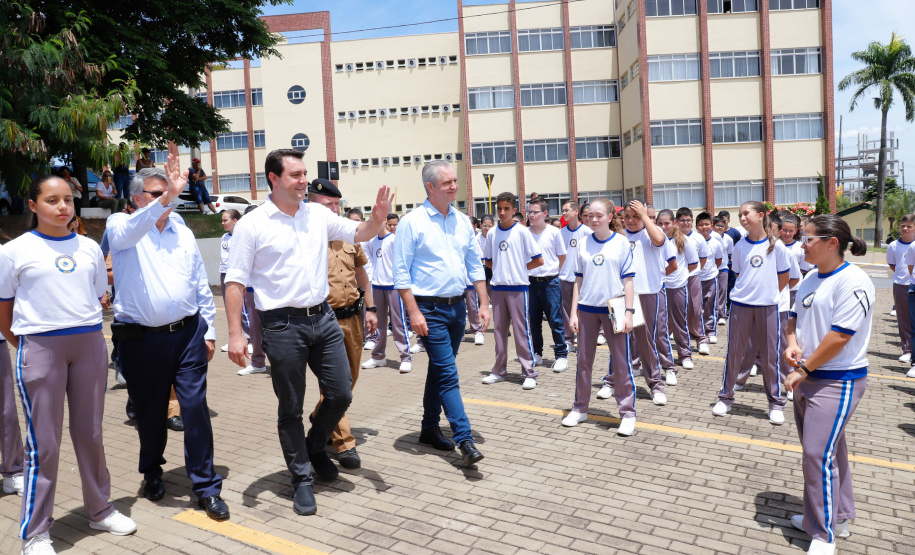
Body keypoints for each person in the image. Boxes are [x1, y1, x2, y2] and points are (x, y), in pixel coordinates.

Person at [224, 149, 391, 515]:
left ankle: (315, 446)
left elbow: (358, 232)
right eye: (295, 175)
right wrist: (236, 334)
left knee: (341, 393)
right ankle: (301, 478)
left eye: (304, 174)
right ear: (274, 178)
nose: (303, 181)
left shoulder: (316, 214)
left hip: (323, 317)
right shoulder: (253, 224)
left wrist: (377, 219)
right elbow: (234, 281)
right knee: (291, 407)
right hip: (281, 324)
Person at [0, 175, 136, 555]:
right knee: (44, 443)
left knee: (90, 433)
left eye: (68, 199)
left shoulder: (89, 248)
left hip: (89, 344)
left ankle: (100, 509)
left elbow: (97, 296)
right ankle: (36, 532)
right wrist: (28, 346)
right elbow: (4, 311)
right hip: (40, 346)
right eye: (52, 200)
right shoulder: (14, 251)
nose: (62, 207)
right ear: (33, 205)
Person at [107, 162, 227, 520]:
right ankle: (152, 472)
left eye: (170, 193)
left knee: (195, 408)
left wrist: (209, 330)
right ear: (136, 198)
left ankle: (206, 486)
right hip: (142, 340)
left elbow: (199, 282)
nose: (168, 199)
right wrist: (168, 196)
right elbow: (128, 232)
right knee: (151, 414)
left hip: (188, 334)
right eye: (158, 194)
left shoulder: (182, 230)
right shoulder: (121, 226)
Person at [783, 214, 873, 555]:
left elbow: (840, 336)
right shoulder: (810, 276)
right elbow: (794, 318)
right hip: (808, 377)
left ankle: (823, 535)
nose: (802, 245)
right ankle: (837, 517)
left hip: (837, 379)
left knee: (816, 455)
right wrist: (791, 343)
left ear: (832, 243)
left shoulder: (854, 281)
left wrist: (804, 369)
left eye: (808, 239)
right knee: (830, 451)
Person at [393, 160, 489, 467]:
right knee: (448, 375)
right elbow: (401, 274)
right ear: (430, 187)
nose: (454, 186)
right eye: (447, 182)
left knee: (439, 370)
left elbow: (474, 264)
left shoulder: (461, 221)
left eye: (455, 181)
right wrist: (414, 313)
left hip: (457, 308)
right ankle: (465, 439)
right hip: (428, 310)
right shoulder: (412, 222)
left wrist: (483, 304)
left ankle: (429, 428)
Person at [308, 178, 378, 471]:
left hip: (353, 317)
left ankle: (320, 419)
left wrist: (371, 308)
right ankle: (344, 443)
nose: (335, 209)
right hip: (325, 320)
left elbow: (361, 273)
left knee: (348, 382)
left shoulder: (349, 234)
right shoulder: (307, 235)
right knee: (334, 385)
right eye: (329, 204)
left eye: (337, 204)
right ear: (312, 204)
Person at [562, 197, 637, 436]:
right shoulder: (583, 243)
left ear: (610, 217)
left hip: (615, 308)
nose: (593, 219)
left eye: (599, 215)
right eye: (590, 215)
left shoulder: (621, 243)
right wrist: (573, 313)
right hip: (587, 308)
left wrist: (628, 312)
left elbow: (628, 280)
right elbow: (578, 280)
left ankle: (627, 414)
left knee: (621, 363)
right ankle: (580, 408)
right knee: (584, 362)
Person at [712, 201, 790, 424]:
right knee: (734, 354)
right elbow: (738, 275)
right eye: (740, 215)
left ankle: (775, 403)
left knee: (770, 357)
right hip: (741, 306)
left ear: (761, 215)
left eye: (746, 213)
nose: (742, 218)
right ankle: (726, 398)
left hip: (768, 307)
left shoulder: (777, 246)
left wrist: (768, 294)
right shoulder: (740, 246)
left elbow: (784, 277)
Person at [605, 199, 671, 404]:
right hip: (621, 295)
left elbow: (659, 240)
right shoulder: (618, 237)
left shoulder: (650, 234)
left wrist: (644, 215)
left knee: (647, 342)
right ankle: (612, 381)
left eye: (636, 216)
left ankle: (655, 385)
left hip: (646, 293)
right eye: (627, 216)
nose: (631, 220)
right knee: (618, 340)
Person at [481, 192, 543, 389]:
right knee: (499, 332)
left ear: (514, 210)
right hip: (498, 287)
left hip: (518, 288)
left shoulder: (522, 231)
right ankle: (499, 370)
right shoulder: (492, 233)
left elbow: (538, 259)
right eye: (499, 208)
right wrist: (502, 270)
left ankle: (529, 372)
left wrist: (519, 269)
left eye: (506, 209)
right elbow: (488, 261)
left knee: (521, 331)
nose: (502, 212)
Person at [363, 213, 414, 372]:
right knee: (378, 324)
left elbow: (402, 263)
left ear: (384, 221)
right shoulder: (372, 241)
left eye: (377, 220)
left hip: (393, 286)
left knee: (398, 323)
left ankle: (405, 357)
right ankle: (378, 356)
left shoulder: (393, 240)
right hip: (377, 285)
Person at [218, 209, 266, 375]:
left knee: (268, 325)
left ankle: (274, 359)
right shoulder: (229, 237)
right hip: (249, 285)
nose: (223, 223)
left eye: (226, 220)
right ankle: (258, 361)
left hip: (264, 287)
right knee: (254, 323)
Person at [526, 198, 569, 372]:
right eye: (529, 212)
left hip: (550, 282)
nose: (531, 215)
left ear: (544, 213)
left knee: (555, 320)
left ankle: (561, 355)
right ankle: (537, 353)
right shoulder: (525, 233)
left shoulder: (553, 232)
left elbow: (562, 256)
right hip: (530, 282)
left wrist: (553, 272)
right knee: (533, 321)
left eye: (535, 212)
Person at [658, 209, 699, 377]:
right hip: (658, 287)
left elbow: (693, 264)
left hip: (677, 286)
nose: (663, 227)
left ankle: (685, 355)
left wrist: (681, 276)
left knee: (679, 322)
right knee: (660, 324)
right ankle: (659, 355)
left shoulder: (684, 241)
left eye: (667, 223)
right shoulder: (655, 239)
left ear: (674, 223)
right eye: (660, 223)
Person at [559, 201, 592, 354]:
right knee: (566, 311)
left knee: (582, 311)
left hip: (582, 278)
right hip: (564, 277)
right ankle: (568, 340)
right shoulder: (561, 232)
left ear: (576, 211)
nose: (564, 213)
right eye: (563, 210)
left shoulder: (586, 231)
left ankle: (583, 339)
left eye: (567, 210)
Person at [676, 207, 710, 355]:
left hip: (692, 277)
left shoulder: (698, 238)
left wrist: (693, 272)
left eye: (688, 220)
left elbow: (703, 258)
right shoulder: (671, 237)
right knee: (673, 311)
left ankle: (700, 339)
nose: (685, 223)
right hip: (675, 279)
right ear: (676, 221)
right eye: (682, 220)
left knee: (695, 309)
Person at [887, 214, 915, 364]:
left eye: (909, 226)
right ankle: (907, 350)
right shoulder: (893, 245)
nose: (905, 229)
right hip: (900, 285)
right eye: (903, 226)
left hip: (913, 285)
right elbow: (893, 265)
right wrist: (903, 276)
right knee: (903, 318)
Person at [695, 212, 724, 344]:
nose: (704, 227)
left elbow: (718, 260)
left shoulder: (716, 242)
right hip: (695, 279)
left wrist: (711, 271)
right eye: (701, 225)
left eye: (707, 224)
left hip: (710, 278)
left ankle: (710, 331)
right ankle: (696, 331)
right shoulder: (692, 241)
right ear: (696, 226)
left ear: (711, 225)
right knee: (695, 307)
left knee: (710, 306)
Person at [713, 216, 733, 325]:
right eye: (717, 225)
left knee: (722, 292)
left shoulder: (728, 239)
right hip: (710, 270)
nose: (720, 228)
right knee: (711, 293)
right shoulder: (708, 237)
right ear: (713, 225)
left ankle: (721, 315)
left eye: (722, 226)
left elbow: (730, 252)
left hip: (723, 268)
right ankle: (712, 314)